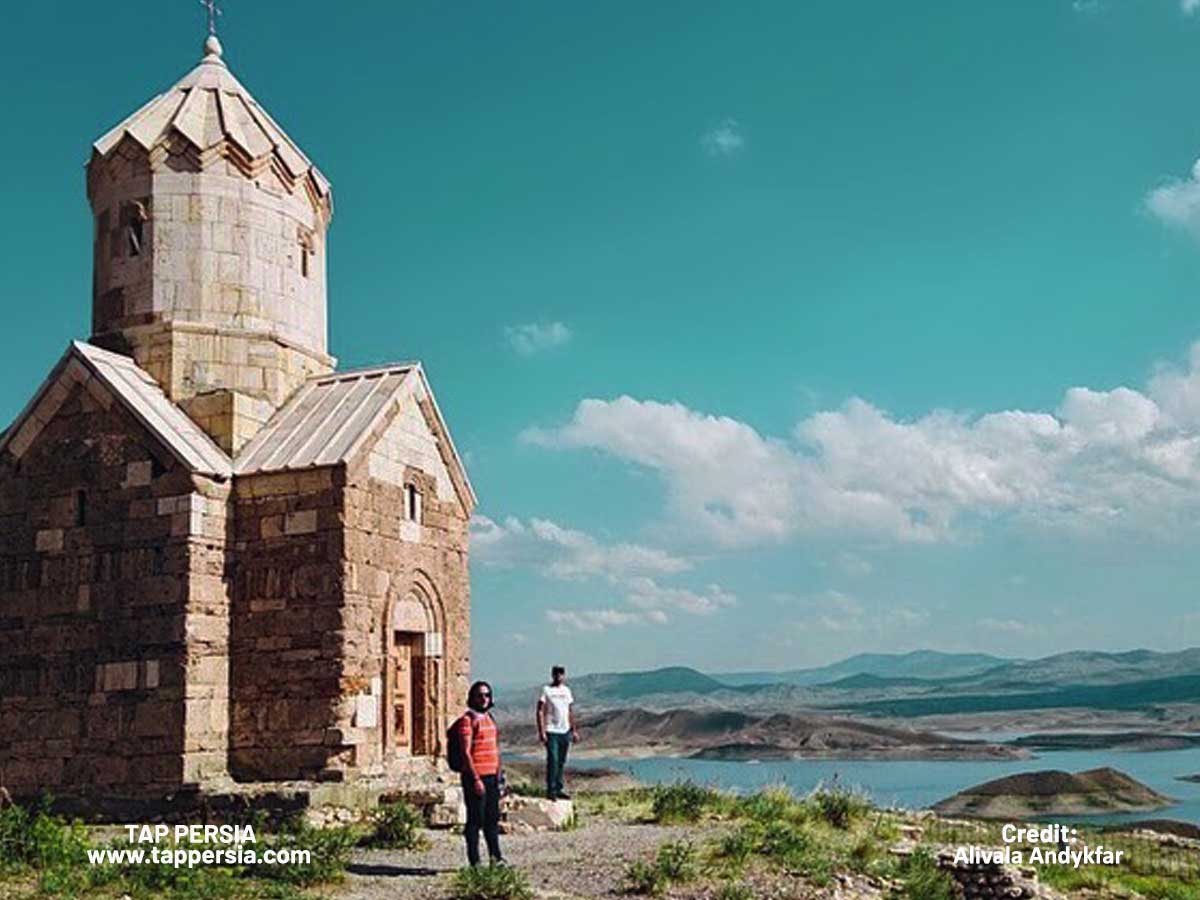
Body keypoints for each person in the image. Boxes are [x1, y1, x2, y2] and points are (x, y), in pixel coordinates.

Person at [455, 681, 505, 867]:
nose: (484, 699)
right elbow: (466, 752)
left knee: (492, 819)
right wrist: (475, 778)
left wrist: (499, 773)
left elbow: (494, 747)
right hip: (475, 776)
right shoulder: (467, 721)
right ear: (472, 698)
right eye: (480, 695)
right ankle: (474, 861)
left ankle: (496, 857)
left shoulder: (489, 718)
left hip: (492, 775)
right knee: (475, 819)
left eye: (487, 695)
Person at [536, 665, 578, 800]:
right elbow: (540, 710)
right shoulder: (546, 690)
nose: (559, 677)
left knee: (561, 761)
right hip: (551, 730)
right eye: (556, 674)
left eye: (561, 674)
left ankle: (559, 788)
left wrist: (574, 729)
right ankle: (551, 790)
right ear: (552, 675)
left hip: (564, 730)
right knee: (552, 760)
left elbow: (570, 711)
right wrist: (542, 730)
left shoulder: (567, 691)